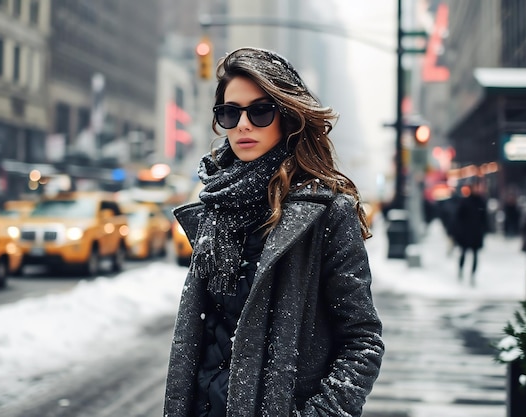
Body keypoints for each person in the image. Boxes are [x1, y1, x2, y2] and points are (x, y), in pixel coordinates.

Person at [163, 47, 384, 417]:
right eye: (230, 113)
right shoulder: (216, 207)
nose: (243, 125)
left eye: (260, 111)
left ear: (288, 115)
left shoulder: (326, 213)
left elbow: (362, 342)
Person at [453, 181, 488, 286]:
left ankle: (472, 275)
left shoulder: (481, 202)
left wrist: (484, 230)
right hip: (466, 233)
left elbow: (484, 219)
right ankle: (461, 270)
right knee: (463, 253)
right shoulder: (465, 202)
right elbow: (458, 218)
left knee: (475, 256)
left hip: (476, 233)